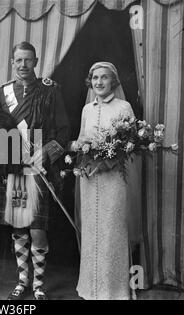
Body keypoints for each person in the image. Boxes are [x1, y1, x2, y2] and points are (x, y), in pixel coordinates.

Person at [0, 42, 70, 300]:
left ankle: (38, 285)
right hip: (16, 169)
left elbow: (64, 130)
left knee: (38, 229)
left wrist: (46, 152)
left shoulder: (50, 91)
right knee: (20, 228)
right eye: (18, 60)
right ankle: (23, 280)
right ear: (12, 62)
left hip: (39, 170)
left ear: (36, 62)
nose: (23, 65)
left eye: (28, 60)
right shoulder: (2, 94)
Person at [73, 62, 135, 300]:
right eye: (95, 78)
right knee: (91, 232)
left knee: (111, 231)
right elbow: (80, 140)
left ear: (114, 81)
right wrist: (81, 156)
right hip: (89, 179)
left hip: (114, 180)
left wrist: (105, 162)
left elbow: (127, 146)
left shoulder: (124, 107)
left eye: (104, 78)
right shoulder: (87, 109)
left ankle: (115, 291)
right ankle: (90, 288)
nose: (99, 82)